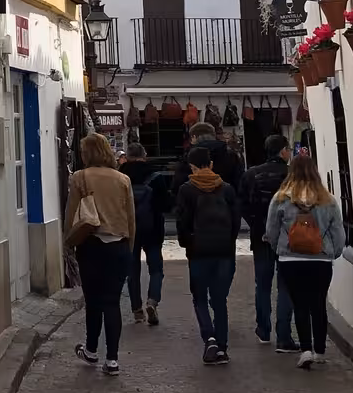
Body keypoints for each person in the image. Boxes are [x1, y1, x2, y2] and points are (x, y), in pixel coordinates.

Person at [265, 153, 347, 368]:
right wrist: (333, 252)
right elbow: (338, 233)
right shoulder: (327, 200)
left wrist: (280, 249)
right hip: (320, 260)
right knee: (318, 304)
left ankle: (306, 349)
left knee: (299, 304)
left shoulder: (281, 198)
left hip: (290, 259)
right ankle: (320, 350)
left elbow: (271, 231)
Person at [64, 133, 135, 376]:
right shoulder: (123, 179)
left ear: (88, 153)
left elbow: (72, 212)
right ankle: (113, 359)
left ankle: (92, 349)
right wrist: (129, 247)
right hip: (119, 245)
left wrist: (68, 244)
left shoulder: (80, 177)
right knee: (111, 302)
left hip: (91, 244)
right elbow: (130, 218)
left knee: (93, 301)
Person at [174, 145, 242, 364]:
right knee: (220, 300)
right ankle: (222, 347)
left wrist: (187, 244)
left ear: (192, 167)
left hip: (199, 251)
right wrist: (229, 243)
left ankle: (209, 338)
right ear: (211, 165)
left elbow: (182, 222)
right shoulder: (227, 188)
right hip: (223, 251)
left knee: (200, 298)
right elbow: (236, 221)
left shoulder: (186, 190)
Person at [241, 134, 297, 351]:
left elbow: (243, 204)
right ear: (283, 151)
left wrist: (257, 224)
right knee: (286, 285)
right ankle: (284, 336)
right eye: (288, 149)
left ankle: (263, 330)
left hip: (261, 237)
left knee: (262, 285)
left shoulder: (252, 174)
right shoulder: (292, 175)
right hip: (288, 237)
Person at [120, 138, 170, 325]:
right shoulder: (155, 177)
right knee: (156, 268)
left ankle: (137, 310)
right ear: (144, 156)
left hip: (128, 230)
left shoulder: (119, 176)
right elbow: (166, 204)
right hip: (153, 228)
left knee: (132, 270)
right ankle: (153, 300)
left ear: (127, 157)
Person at [172, 119, 242, 199]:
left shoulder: (189, 157)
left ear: (194, 137)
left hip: (195, 206)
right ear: (213, 136)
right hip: (225, 206)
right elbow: (239, 183)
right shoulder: (231, 155)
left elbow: (177, 186)